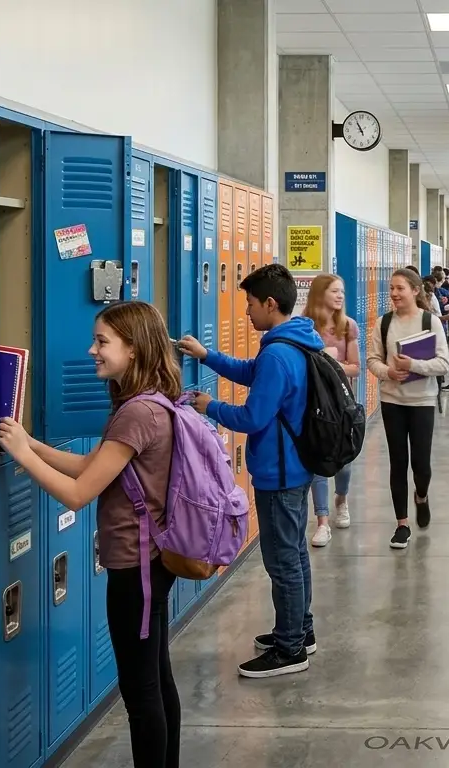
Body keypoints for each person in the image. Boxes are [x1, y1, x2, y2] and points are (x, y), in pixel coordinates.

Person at [0, 300, 184, 768]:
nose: (92, 350)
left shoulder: (135, 414)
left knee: (142, 694)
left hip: (136, 568)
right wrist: (32, 443)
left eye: (103, 342)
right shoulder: (152, 400)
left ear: (134, 349)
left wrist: (23, 458)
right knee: (157, 680)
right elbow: (93, 467)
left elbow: (79, 492)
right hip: (153, 562)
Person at [178, 263, 321, 679]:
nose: (246, 312)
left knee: (283, 563)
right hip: (295, 467)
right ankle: (299, 631)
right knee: (293, 556)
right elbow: (251, 373)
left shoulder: (277, 352)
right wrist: (209, 356)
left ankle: (291, 649)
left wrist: (211, 408)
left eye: (251, 303)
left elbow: (254, 417)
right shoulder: (292, 341)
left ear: (270, 304)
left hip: (280, 472)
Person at [367, 268, 449, 550]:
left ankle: (422, 496)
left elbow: (443, 364)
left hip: (422, 401)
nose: (394, 293)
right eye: (391, 288)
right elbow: (373, 359)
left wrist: (412, 366)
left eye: (400, 288)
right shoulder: (384, 323)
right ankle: (402, 524)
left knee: (421, 464)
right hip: (393, 401)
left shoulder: (431, 322)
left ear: (415, 290)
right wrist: (389, 372)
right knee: (398, 462)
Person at [301, 274, 358, 546]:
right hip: (314, 403)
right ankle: (322, 521)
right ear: (319, 293)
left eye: (342, 292)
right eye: (335, 291)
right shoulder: (303, 327)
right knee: (318, 462)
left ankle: (342, 498)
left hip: (341, 405)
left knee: (344, 464)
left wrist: (328, 362)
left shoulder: (348, 326)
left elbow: (356, 367)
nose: (340, 296)